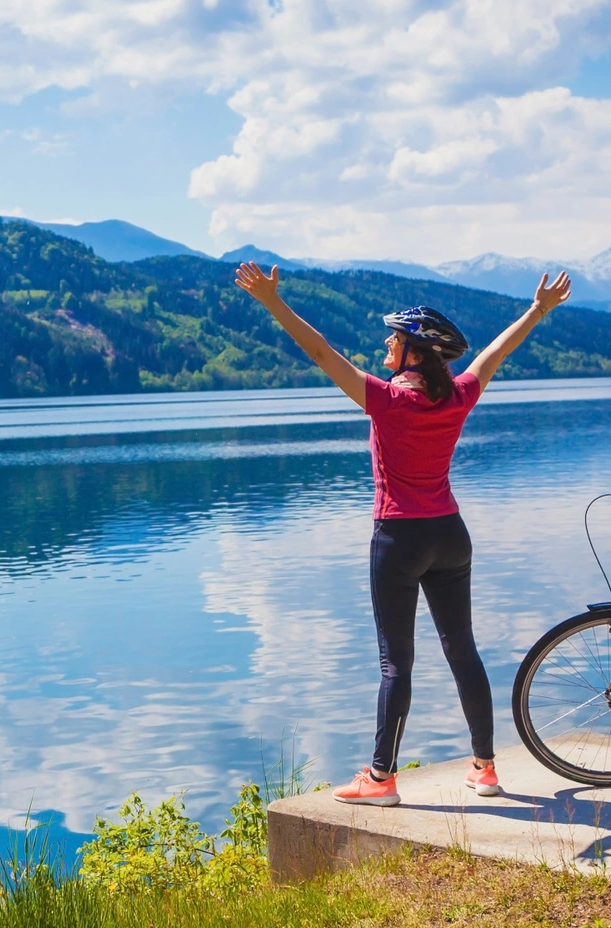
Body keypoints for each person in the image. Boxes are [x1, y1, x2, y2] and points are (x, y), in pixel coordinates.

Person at [234, 261, 572, 805]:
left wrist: (273, 302)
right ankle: (486, 768)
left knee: (396, 663)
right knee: (462, 650)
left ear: (415, 351)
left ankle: (381, 779)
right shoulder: (457, 394)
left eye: (394, 337)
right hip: (450, 535)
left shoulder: (388, 400)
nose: (386, 344)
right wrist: (537, 310)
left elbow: (321, 353)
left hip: (399, 538)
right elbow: (495, 353)